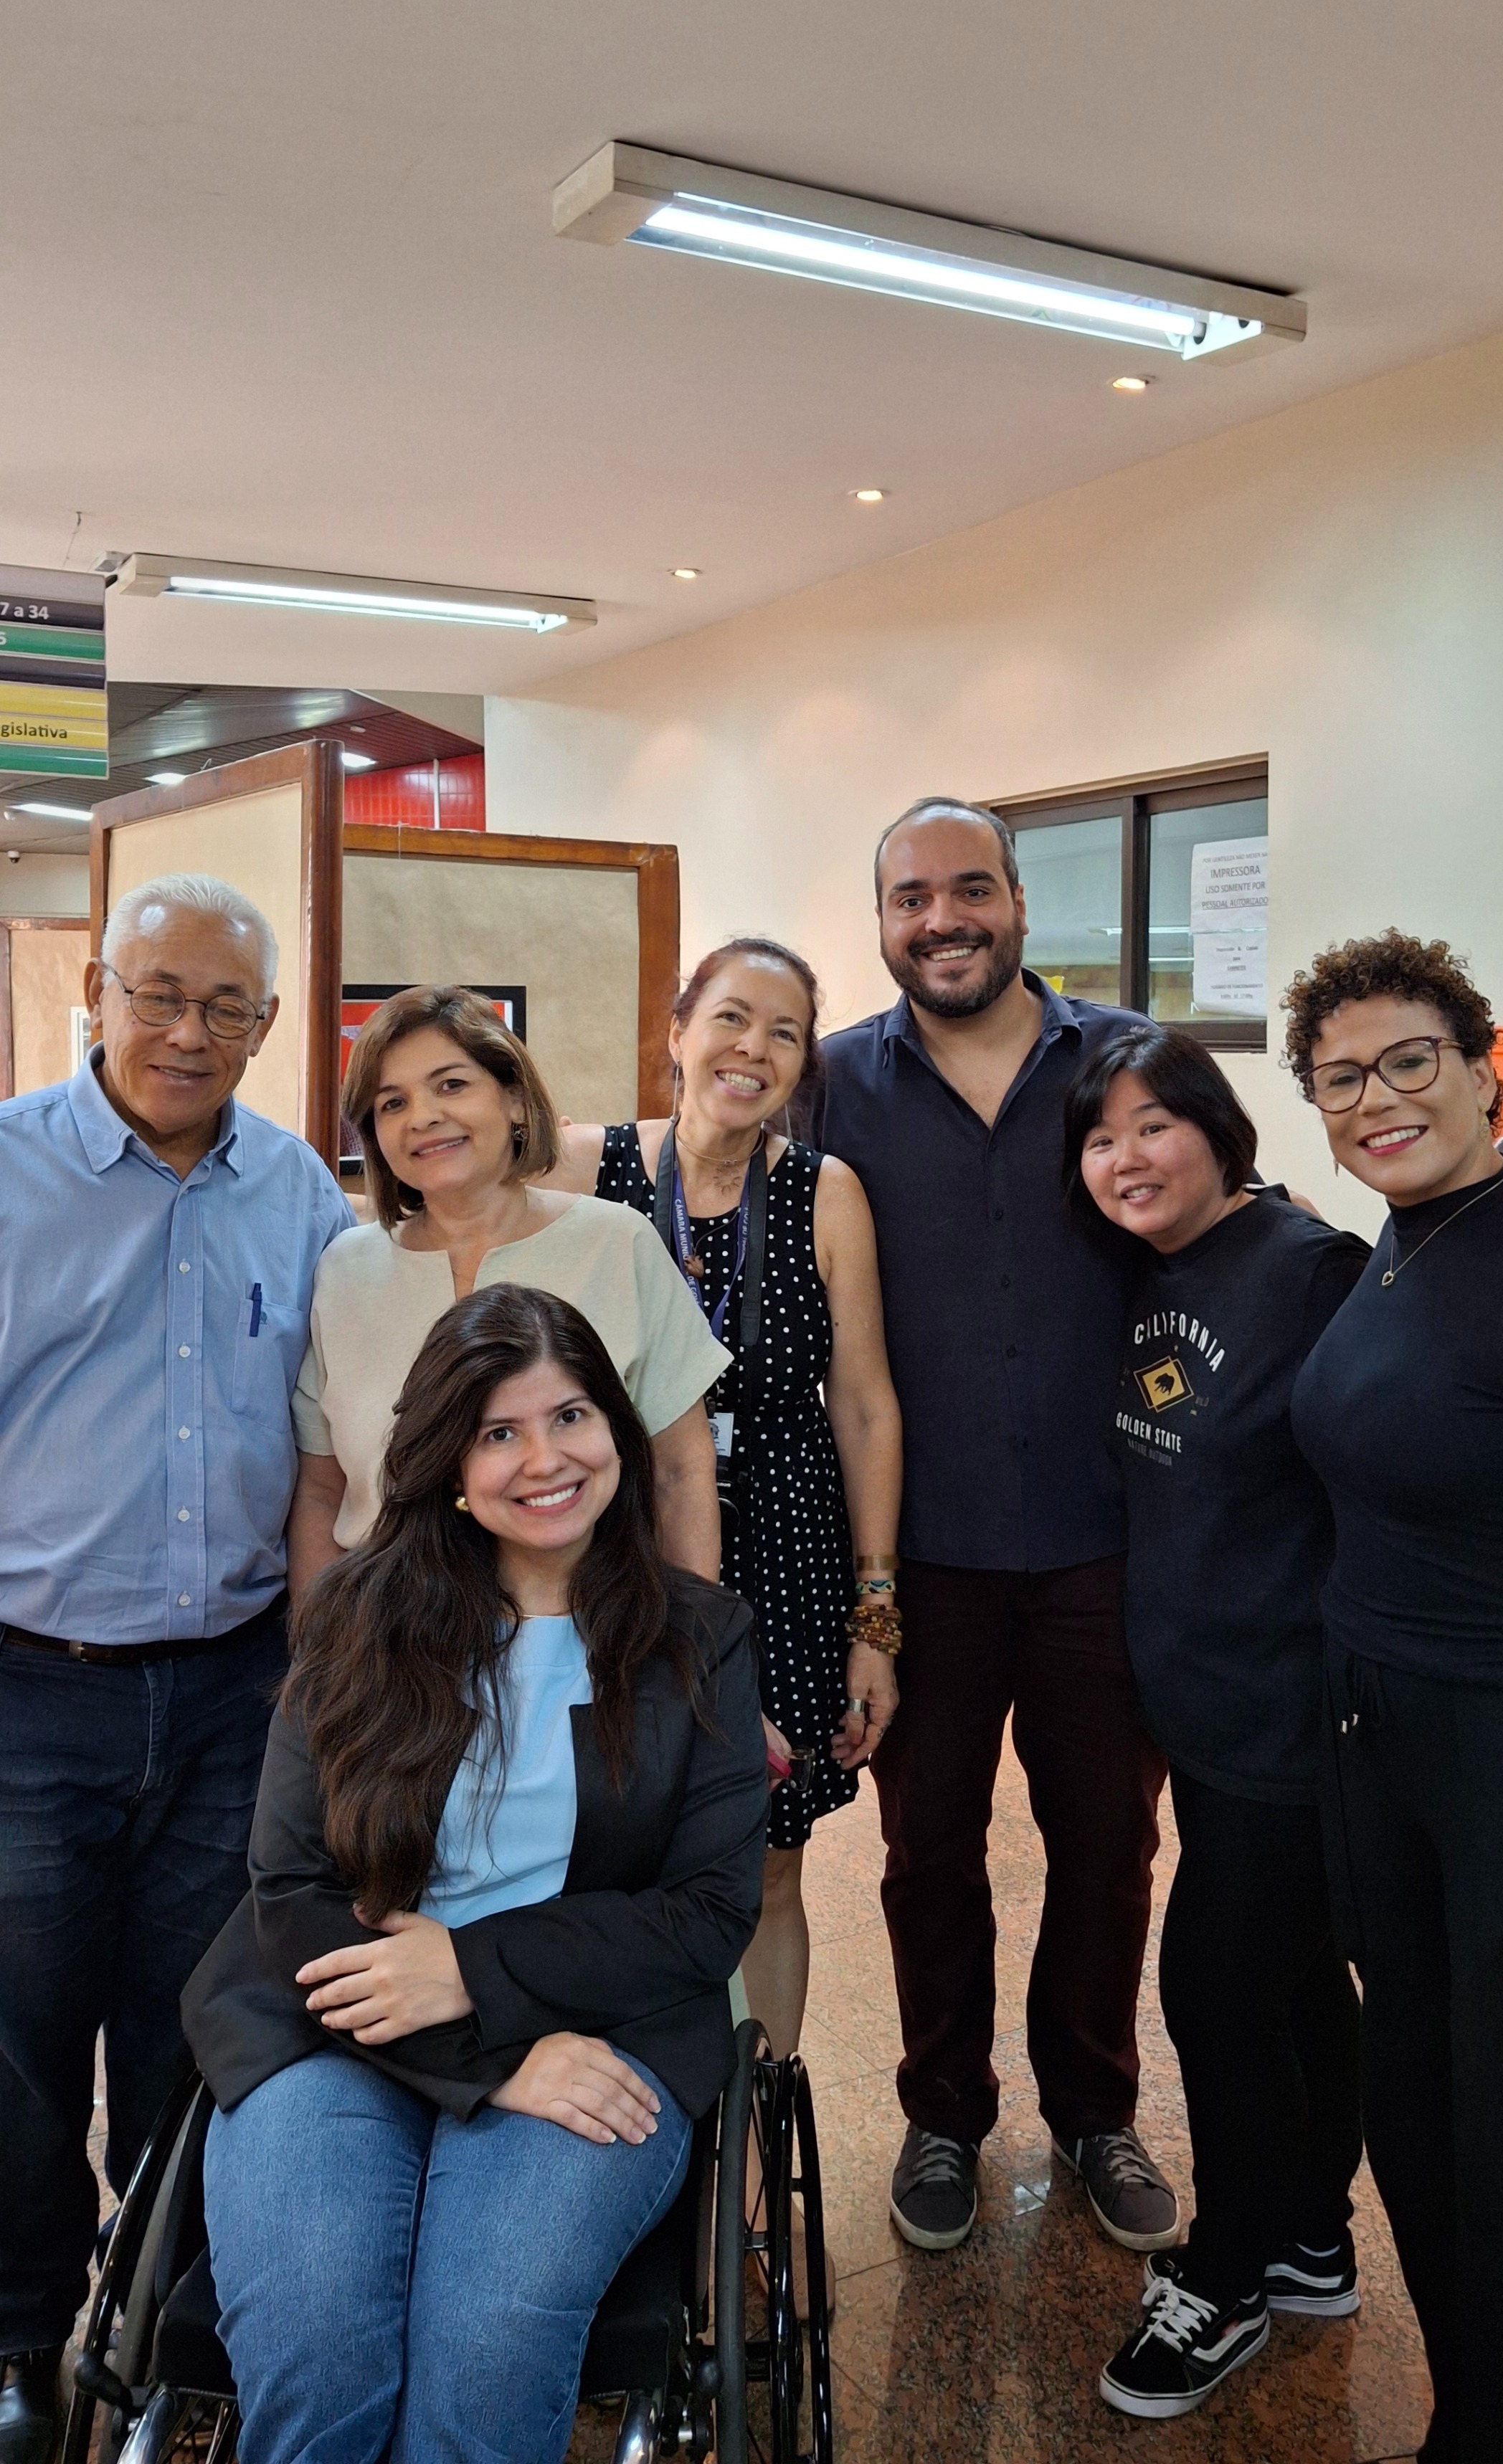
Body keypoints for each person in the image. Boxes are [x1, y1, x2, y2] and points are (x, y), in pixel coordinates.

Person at [183, 1285, 768, 2464]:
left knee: (484, 2353)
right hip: (333, 2023)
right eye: (501, 1431)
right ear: (449, 1462)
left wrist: (470, 1970)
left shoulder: (698, 1636)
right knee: (318, 2348)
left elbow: (709, 1914)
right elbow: (290, 1891)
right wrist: (487, 2059)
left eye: (571, 1416)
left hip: (598, 2029)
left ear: (616, 1430)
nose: (545, 1460)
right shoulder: (357, 1620)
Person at [0, 875, 353, 2464]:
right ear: (97, 988)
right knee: (18, 2039)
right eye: (158, 993)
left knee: (191, 2029)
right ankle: (20, 2335)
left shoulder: (300, 1191)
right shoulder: (9, 1170)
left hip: (232, 1692)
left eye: (225, 1007)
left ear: (267, 1025)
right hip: (31, 1689)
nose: (187, 1031)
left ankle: (157, 2323)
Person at [812, 796, 1177, 2255]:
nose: (942, 919)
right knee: (928, 1853)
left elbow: (1214, 1229)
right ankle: (943, 2115)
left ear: (1020, 902)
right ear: (882, 920)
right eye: (911, 897)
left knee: (1107, 1846)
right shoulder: (831, 1083)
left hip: (1106, 1540)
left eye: (970, 888)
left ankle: (1094, 2109)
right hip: (922, 1553)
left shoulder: (1126, 1062)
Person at [1062, 1025, 1368, 2420]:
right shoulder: (1153, 1268)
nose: (1125, 1158)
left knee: (1216, 1989)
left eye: (1152, 1126)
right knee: (1294, 1986)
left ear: (1217, 1128)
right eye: (1099, 1138)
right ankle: (1309, 2239)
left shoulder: (1309, 1272)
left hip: (1292, 1712)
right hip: (1200, 1707)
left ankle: (1230, 2277)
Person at [1285, 930, 1503, 2464]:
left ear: (1478, 1070)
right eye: (1341, 1078)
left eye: (1408, 1061)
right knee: (1416, 2092)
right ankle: (1474, 2415)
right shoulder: (1391, 1249)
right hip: (1374, 1726)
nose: (1377, 1098)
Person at [547, 935, 902, 2058]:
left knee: (768, 1859)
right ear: (678, 1033)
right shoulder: (583, 1167)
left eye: (784, 1033)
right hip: (616, 1546)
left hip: (786, 1550)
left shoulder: (823, 1192)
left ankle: (763, 2118)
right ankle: (625, 2098)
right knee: (605, 1845)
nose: (753, 1049)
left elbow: (865, 1409)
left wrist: (875, 1619)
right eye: (732, 1019)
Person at [286, 985, 731, 1598]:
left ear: (516, 1100)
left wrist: (694, 1641)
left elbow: (680, 1474)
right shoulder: (345, 1270)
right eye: (392, 1103)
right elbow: (321, 1491)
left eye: (451, 1085)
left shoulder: (617, 1243)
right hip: (388, 1632)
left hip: (594, 1626)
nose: (422, 1116)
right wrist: (320, 1643)